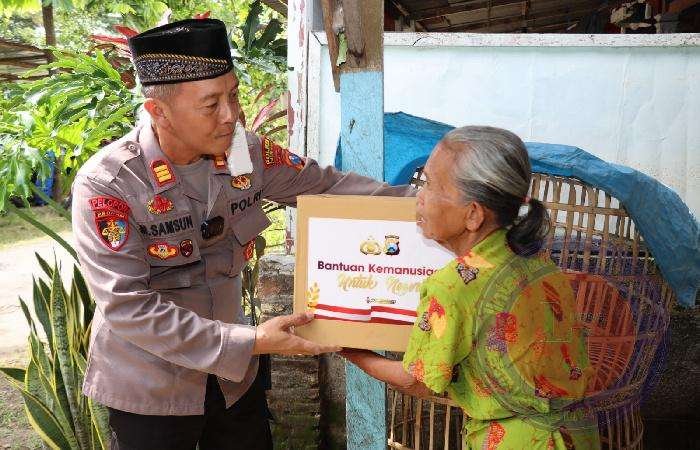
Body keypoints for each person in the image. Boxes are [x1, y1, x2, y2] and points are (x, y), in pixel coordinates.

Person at [71, 18, 414, 450]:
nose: (230, 115)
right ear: (159, 111)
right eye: (210, 104)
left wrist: (430, 207)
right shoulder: (110, 184)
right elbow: (128, 306)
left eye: (233, 95)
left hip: (233, 380)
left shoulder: (243, 153)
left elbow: (328, 188)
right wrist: (250, 340)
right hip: (150, 388)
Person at [340, 126, 600, 449]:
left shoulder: (452, 287)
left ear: (473, 214)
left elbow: (417, 381)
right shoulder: (540, 265)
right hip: (578, 434)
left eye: (430, 185)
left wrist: (347, 350)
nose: (419, 196)